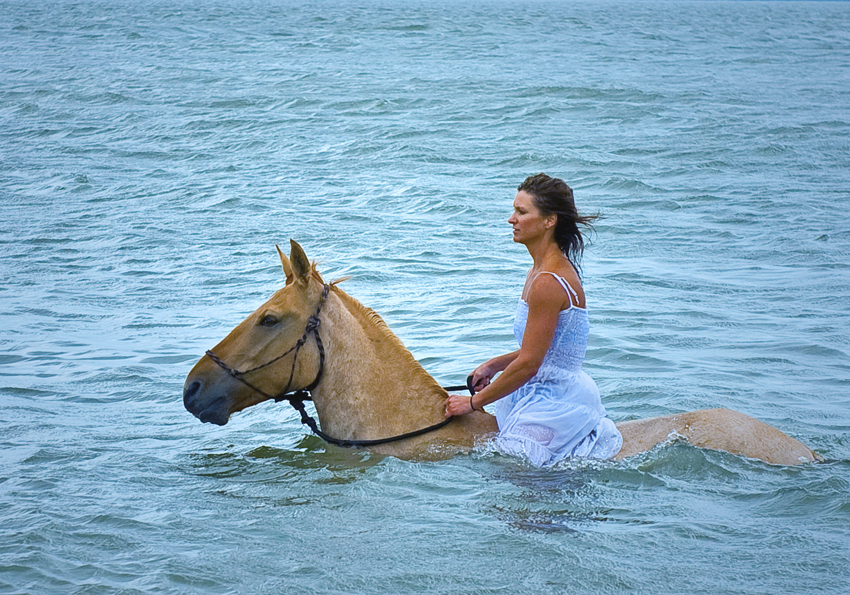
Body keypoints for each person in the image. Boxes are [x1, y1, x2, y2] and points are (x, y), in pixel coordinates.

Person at [445, 173, 622, 466]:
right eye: (514, 209)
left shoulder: (547, 282)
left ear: (549, 221)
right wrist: (493, 365)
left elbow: (530, 363)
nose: (511, 219)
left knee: (516, 472)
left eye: (521, 212)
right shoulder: (539, 271)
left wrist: (473, 403)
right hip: (541, 387)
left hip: (553, 399)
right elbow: (546, 348)